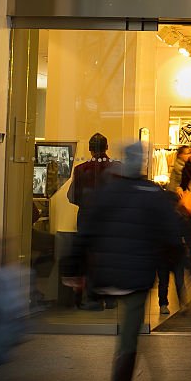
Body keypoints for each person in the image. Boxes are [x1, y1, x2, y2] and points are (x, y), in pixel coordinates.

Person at [62, 142, 184, 381]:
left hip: (108, 274)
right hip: (136, 278)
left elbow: (87, 231)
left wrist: (73, 269)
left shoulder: (107, 191)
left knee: (125, 336)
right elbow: (171, 235)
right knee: (128, 342)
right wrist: (174, 265)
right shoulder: (153, 194)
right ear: (141, 164)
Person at [68, 132, 122, 310]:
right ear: (107, 147)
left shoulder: (81, 169)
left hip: (87, 218)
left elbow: (72, 196)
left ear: (90, 150)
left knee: (90, 257)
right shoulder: (117, 168)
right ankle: (111, 296)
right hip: (111, 220)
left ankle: (94, 297)